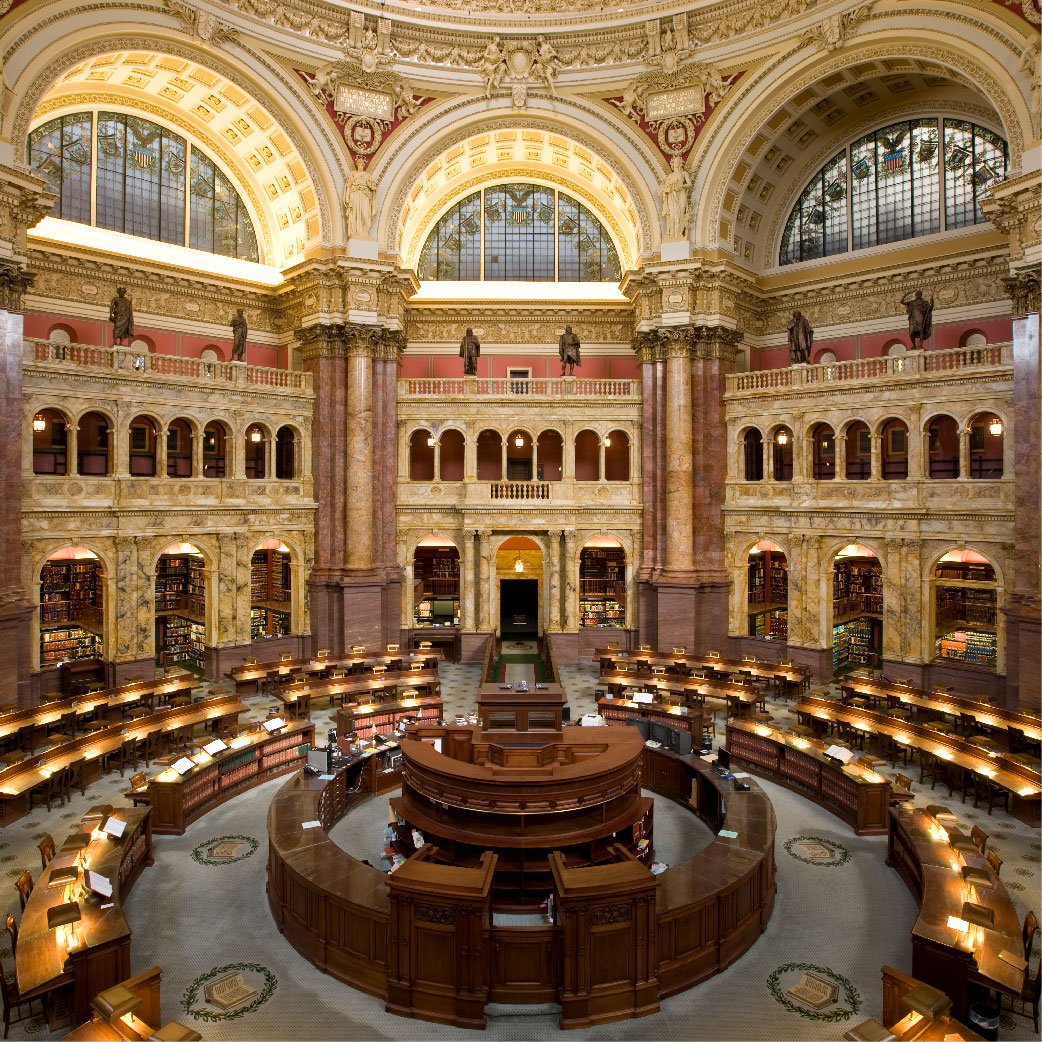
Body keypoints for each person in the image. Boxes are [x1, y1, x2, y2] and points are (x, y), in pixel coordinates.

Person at [343, 157, 377, 239]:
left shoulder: (367, 175)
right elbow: (348, 186)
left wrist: (369, 185)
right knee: (355, 214)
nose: (360, 165)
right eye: (359, 163)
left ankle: (364, 232)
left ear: (364, 165)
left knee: (365, 214)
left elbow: (373, 188)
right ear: (357, 164)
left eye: (362, 163)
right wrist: (347, 197)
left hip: (365, 195)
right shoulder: (353, 174)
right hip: (354, 194)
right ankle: (356, 232)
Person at [660, 156, 692, 239]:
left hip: (681, 194)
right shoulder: (670, 176)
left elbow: (690, 184)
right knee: (673, 215)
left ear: (680, 163)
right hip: (672, 196)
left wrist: (681, 186)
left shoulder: (684, 173)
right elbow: (666, 187)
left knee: (681, 213)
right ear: (672, 164)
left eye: (678, 161)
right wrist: (669, 190)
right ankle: (672, 234)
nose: (676, 163)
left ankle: (679, 233)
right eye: (675, 161)